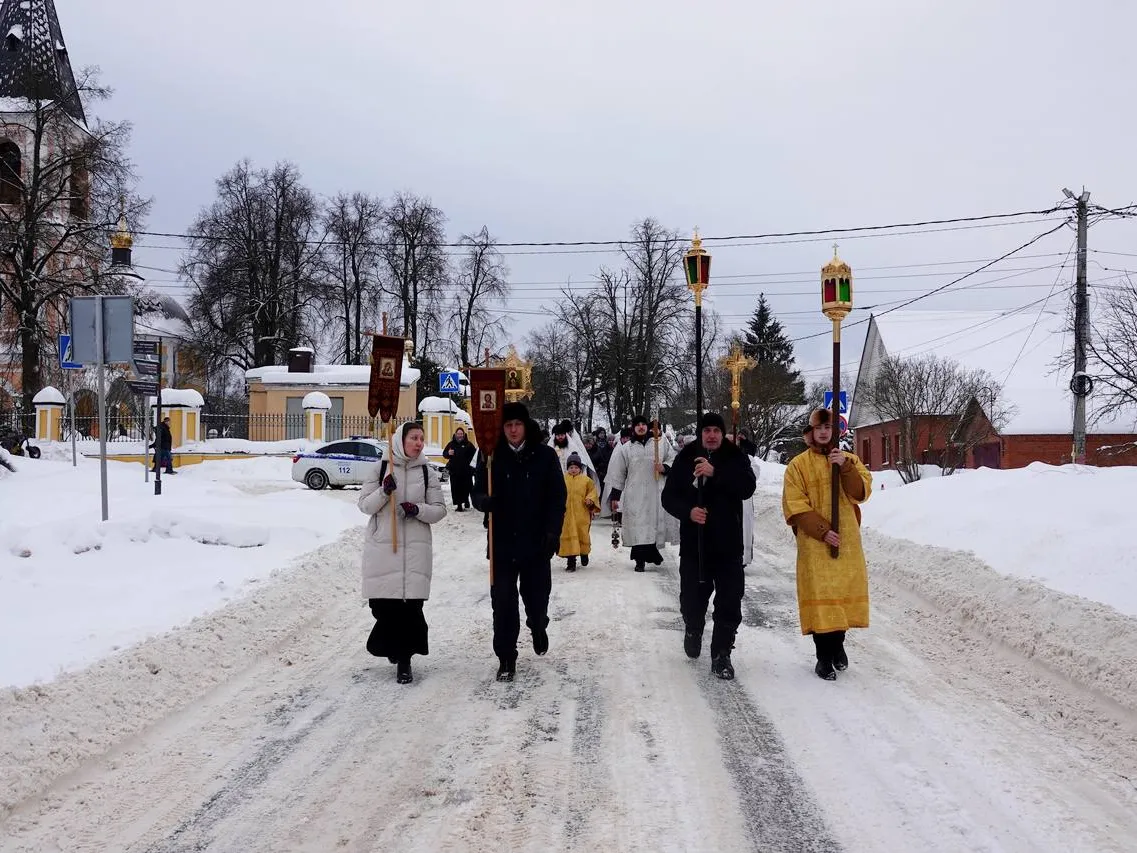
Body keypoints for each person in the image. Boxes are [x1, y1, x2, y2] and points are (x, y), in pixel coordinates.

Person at [472, 402, 567, 682]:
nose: (513, 430)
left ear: (526, 426)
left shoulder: (545, 456)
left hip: (536, 542)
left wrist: (553, 532)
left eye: (517, 424)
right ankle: (506, 656)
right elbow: (476, 491)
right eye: (508, 425)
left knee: (537, 598)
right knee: (502, 601)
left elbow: (557, 498)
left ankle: (538, 625)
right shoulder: (490, 455)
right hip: (502, 541)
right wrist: (483, 502)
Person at [662, 412, 757, 680]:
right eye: (707, 431)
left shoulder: (734, 455)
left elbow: (747, 487)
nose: (712, 435)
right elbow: (669, 497)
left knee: (729, 601)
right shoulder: (687, 456)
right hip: (696, 546)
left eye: (716, 430)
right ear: (700, 434)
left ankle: (721, 653)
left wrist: (716, 473)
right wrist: (689, 511)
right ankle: (693, 627)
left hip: (728, 544)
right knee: (692, 600)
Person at [782, 408, 872, 681]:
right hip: (815, 543)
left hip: (846, 539)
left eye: (828, 427)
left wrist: (843, 466)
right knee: (822, 599)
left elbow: (860, 492)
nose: (823, 432)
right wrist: (822, 531)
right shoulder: (798, 465)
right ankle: (823, 656)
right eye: (818, 428)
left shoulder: (850, 460)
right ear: (811, 432)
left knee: (841, 595)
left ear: (836, 431)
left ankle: (838, 646)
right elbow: (794, 505)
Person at [358, 421, 447, 684]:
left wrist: (416, 510)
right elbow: (365, 506)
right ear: (400, 440)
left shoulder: (427, 472)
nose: (419, 443)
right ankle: (390, 646)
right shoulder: (380, 468)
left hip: (415, 551)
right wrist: (384, 491)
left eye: (421, 438)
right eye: (414, 438)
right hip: (384, 548)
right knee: (383, 607)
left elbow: (439, 510)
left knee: (410, 610)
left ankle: (404, 660)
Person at [606, 415, 675, 572]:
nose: (642, 427)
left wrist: (664, 467)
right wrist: (615, 496)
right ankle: (640, 560)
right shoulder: (626, 449)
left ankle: (651, 553)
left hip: (654, 492)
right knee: (638, 526)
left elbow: (672, 459)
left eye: (644, 424)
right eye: (638, 425)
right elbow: (618, 473)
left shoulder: (660, 444)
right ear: (633, 428)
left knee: (651, 526)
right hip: (634, 493)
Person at [559, 452, 599, 571]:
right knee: (569, 536)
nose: (573, 470)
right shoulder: (563, 480)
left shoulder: (586, 480)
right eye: (571, 467)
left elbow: (593, 492)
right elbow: (557, 493)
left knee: (582, 534)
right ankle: (571, 562)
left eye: (576, 467)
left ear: (580, 468)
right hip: (567, 515)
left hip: (581, 514)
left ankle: (584, 553)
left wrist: (590, 500)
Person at [443, 427, 476, 511]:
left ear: (464, 435)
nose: (460, 435)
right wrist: (448, 453)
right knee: (456, 489)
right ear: (456, 434)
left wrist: (472, 468)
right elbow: (444, 454)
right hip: (455, 471)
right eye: (458, 434)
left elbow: (475, 456)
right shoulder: (451, 444)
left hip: (466, 472)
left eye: (461, 434)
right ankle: (459, 505)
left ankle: (466, 500)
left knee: (466, 487)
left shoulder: (468, 444)